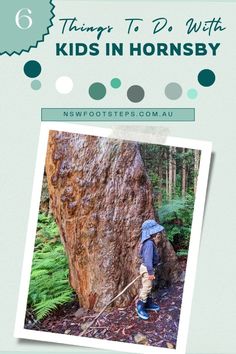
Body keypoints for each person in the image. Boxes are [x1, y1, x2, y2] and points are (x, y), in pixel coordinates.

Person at [136, 219, 164, 320]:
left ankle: (148, 303)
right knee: (147, 287)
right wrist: (150, 272)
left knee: (150, 287)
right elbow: (148, 260)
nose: (158, 233)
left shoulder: (150, 242)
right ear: (151, 232)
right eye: (156, 231)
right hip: (147, 269)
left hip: (149, 268)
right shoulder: (148, 243)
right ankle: (140, 306)